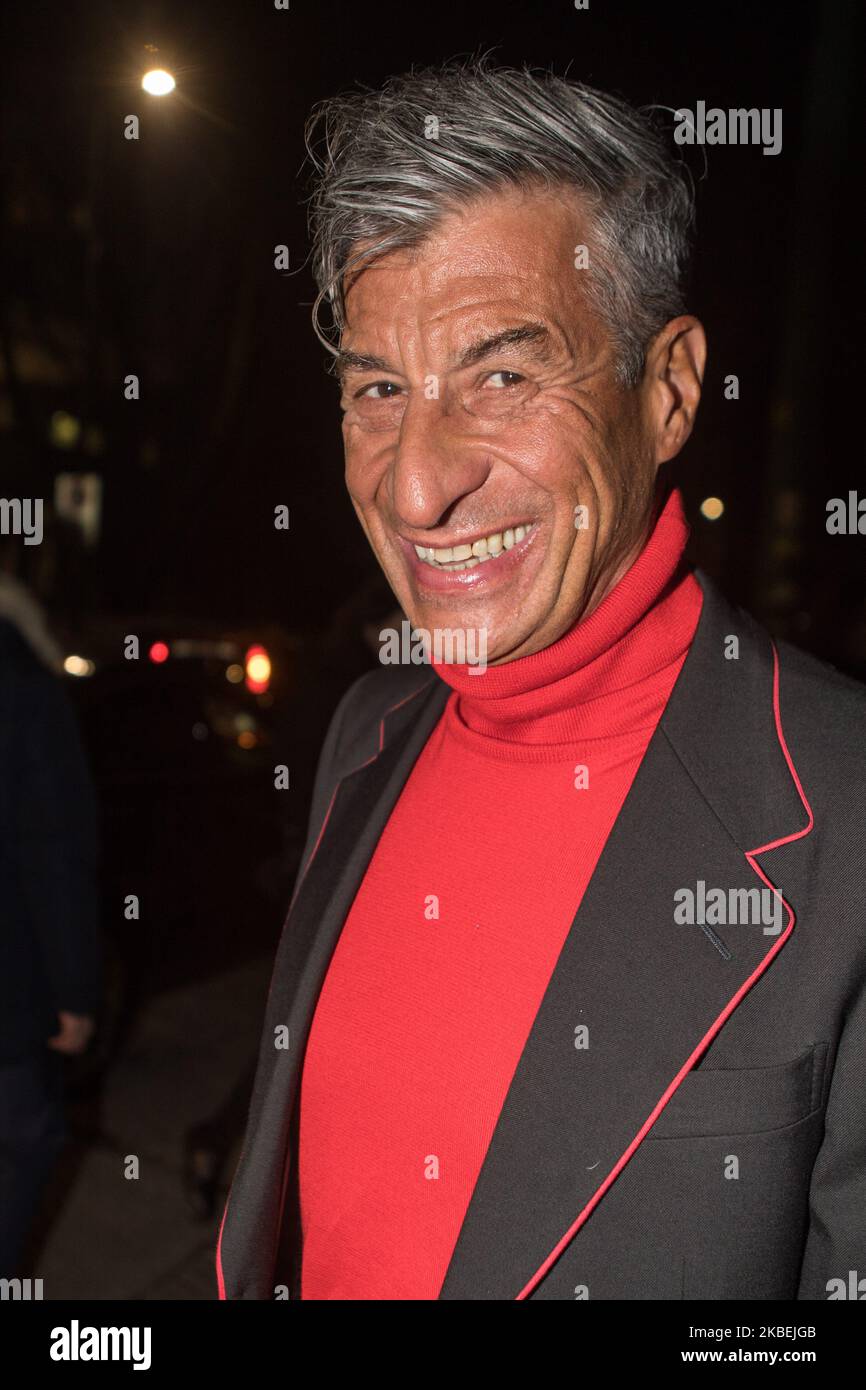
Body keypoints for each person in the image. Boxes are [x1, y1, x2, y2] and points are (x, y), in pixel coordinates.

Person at [217, 60, 866, 1300]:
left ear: (667, 389)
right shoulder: (367, 730)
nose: (415, 489)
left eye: (501, 376)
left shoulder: (845, 812)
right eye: (377, 390)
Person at [0, 574, 101, 1278]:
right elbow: (54, 847)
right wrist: (75, 992)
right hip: (9, 994)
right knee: (27, 1140)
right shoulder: (21, 682)